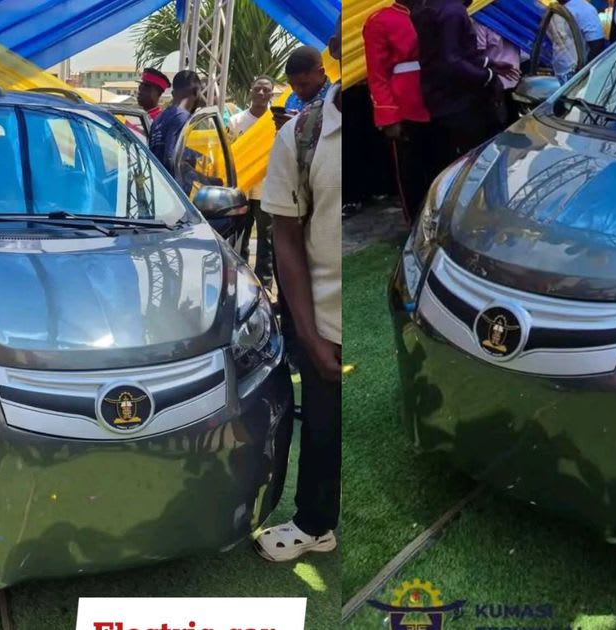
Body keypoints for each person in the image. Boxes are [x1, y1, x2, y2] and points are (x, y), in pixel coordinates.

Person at [253, 19, 343, 563]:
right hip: (325, 322)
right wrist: (307, 334)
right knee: (322, 428)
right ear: (336, 54)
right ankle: (314, 523)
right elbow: (284, 236)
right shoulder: (303, 133)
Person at [363, 0, 439, 222]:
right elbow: (376, 74)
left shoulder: (435, 11)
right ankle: (415, 223)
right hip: (405, 104)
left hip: (437, 98)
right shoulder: (380, 20)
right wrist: (389, 116)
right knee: (411, 173)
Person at [413, 0, 516, 158]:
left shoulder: (427, 7)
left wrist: (490, 63)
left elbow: (447, 55)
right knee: (481, 156)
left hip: (439, 99)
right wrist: (488, 77)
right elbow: (453, 60)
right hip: (461, 99)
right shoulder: (453, 11)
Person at [230, 76, 276, 291]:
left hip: (268, 189)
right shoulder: (236, 121)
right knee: (241, 238)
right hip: (242, 189)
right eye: (257, 89)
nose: (260, 93)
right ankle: (242, 281)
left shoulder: (277, 121)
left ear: (271, 94)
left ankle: (264, 285)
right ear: (250, 91)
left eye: (265, 90)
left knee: (267, 239)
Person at [149, 69, 203, 172]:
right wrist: (205, 179)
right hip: (172, 186)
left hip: (158, 182)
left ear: (173, 93)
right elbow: (170, 158)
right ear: (196, 93)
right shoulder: (183, 117)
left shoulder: (159, 118)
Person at [473, 21, 523, 126]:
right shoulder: (482, 22)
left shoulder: (481, 23)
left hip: (507, 79)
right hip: (501, 81)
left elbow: (476, 56)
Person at [274, 47, 333, 130]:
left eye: (304, 84)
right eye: (292, 85)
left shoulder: (335, 99)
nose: (297, 91)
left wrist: (298, 128)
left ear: (321, 72)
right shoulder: (292, 98)